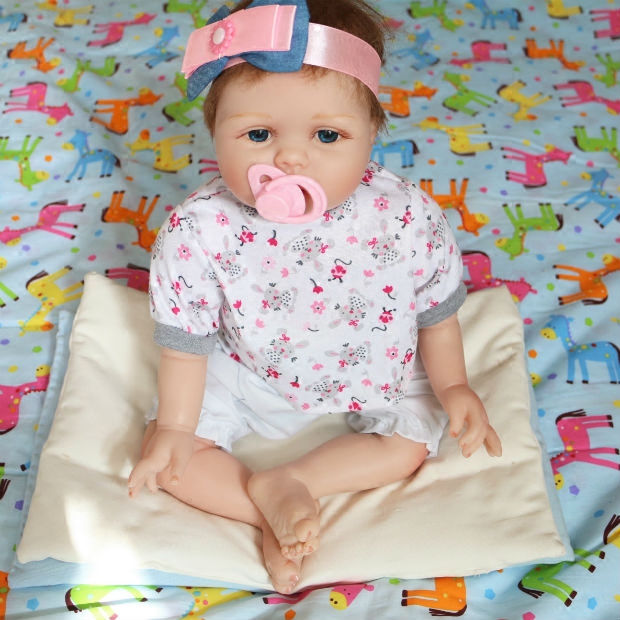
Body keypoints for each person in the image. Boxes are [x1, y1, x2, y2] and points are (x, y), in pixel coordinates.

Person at [128, 0, 502, 594]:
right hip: (249, 366)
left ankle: (297, 480)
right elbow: (185, 344)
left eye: (328, 135)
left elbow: (434, 312)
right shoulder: (200, 227)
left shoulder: (402, 214)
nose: (291, 158)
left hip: (371, 359)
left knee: (408, 445)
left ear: (371, 134)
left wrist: (454, 386)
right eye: (258, 134)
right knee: (170, 461)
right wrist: (175, 427)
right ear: (215, 134)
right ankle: (268, 512)